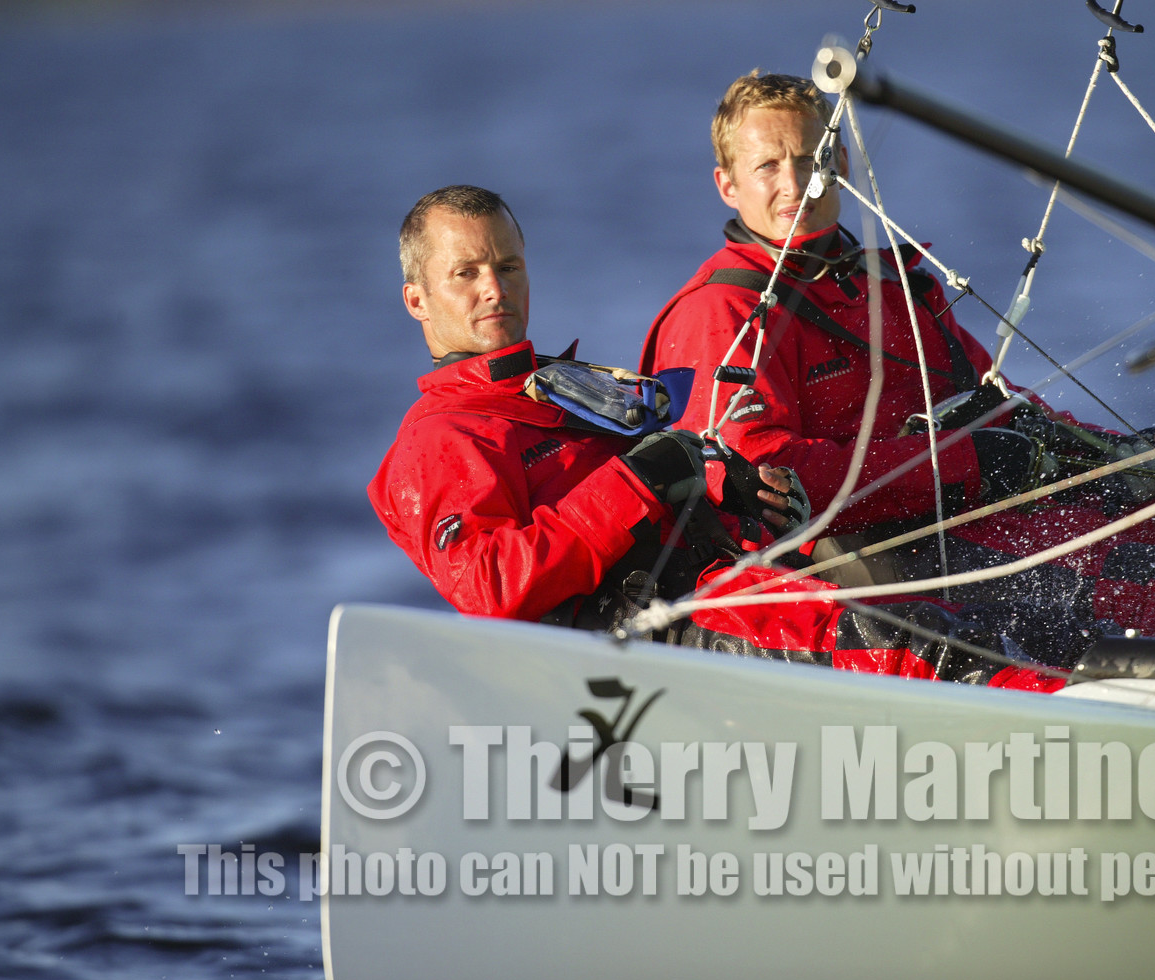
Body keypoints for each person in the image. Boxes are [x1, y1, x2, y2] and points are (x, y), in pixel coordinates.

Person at [640, 73, 1155, 648]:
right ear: (727, 185)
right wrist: (966, 463)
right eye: (769, 166)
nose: (797, 182)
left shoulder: (891, 284)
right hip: (869, 560)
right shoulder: (719, 315)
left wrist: (1113, 453)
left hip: (971, 509)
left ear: (839, 157)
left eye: (811, 156)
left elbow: (992, 399)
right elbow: (766, 482)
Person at [366, 184, 1061, 690]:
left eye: (508, 266)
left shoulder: (561, 390)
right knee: (922, 650)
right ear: (416, 298)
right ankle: (1069, 745)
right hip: (640, 644)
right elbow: (490, 586)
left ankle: (1080, 700)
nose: (493, 288)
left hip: (722, 592)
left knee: (983, 623)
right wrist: (640, 477)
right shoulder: (440, 438)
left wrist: (733, 490)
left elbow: (659, 486)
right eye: (466, 273)